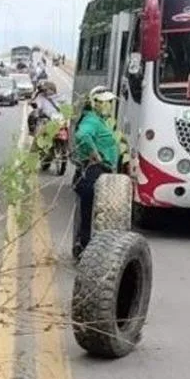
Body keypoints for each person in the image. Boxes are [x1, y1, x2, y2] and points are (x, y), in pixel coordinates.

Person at [72, 87, 120, 260]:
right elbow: (82, 135)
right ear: (95, 103)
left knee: (92, 212)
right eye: (105, 102)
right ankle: (84, 246)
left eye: (109, 102)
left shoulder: (100, 120)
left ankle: (85, 245)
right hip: (93, 171)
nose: (108, 105)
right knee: (89, 212)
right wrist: (95, 154)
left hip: (100, 170)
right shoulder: (91, 120)